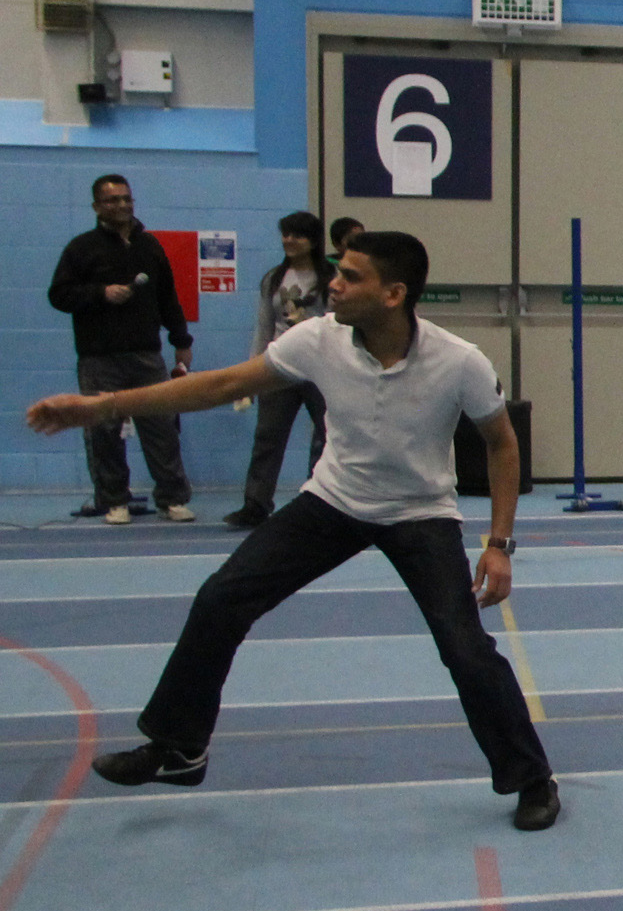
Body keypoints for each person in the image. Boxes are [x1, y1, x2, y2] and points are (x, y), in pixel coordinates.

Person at [25, 230, 561, 831]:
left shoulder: (459, 362)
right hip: (333, 500)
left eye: (351, 276)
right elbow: (222, 384)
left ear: (393, 294)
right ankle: (179, 748)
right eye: (337, 272)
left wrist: (499, 544)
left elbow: (501, 443)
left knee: (464, 647)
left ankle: (532, 777)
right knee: (222, 599)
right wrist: (100, 407)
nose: (333, 284)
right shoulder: (314, 340)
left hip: (420, 513)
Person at [46, 173, 195, 523]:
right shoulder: (80, 248)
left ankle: (172, 498)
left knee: (161, 428)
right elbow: (59, 295)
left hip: (146, 355)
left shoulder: (150, 247)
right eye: (113, 200)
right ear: (97, 206)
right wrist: (101, 293)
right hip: (99, 358)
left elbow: (167, 297)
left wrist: (181, 341)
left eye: (126, 198)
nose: (122, 205)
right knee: (104, 432)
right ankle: (114, 500)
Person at [225, 211, 334, 528]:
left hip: (321, 369)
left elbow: (339, 325)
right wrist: (250, 374)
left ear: (312, 240)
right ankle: (255, 504)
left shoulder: (330, 279)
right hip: (279, 368)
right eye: (285, 234)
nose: (288, 240)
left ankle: (319, 502)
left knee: (328, 438)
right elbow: (263, 327)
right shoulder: (274, 279)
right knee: (267, 437)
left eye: (296, 235)